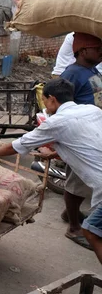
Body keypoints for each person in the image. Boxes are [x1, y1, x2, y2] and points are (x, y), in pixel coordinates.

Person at [0, 78, 102, 263]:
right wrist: (58, 152)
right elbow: (89, 142)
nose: (45, 105)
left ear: (52, 99)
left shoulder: (56, 122)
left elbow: (17, 146)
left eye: (44, 100)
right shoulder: (93, 110)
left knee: (92, 231)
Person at [56, 32, 102, 249]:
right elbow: (59, 105)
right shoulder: (72, 74)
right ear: (83, 51)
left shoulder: (91, 70)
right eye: (98, 49)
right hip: (80, 136)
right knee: (76, 183)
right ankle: (74, 228)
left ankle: (70, 213)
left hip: (93, 131)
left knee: (80, 182)